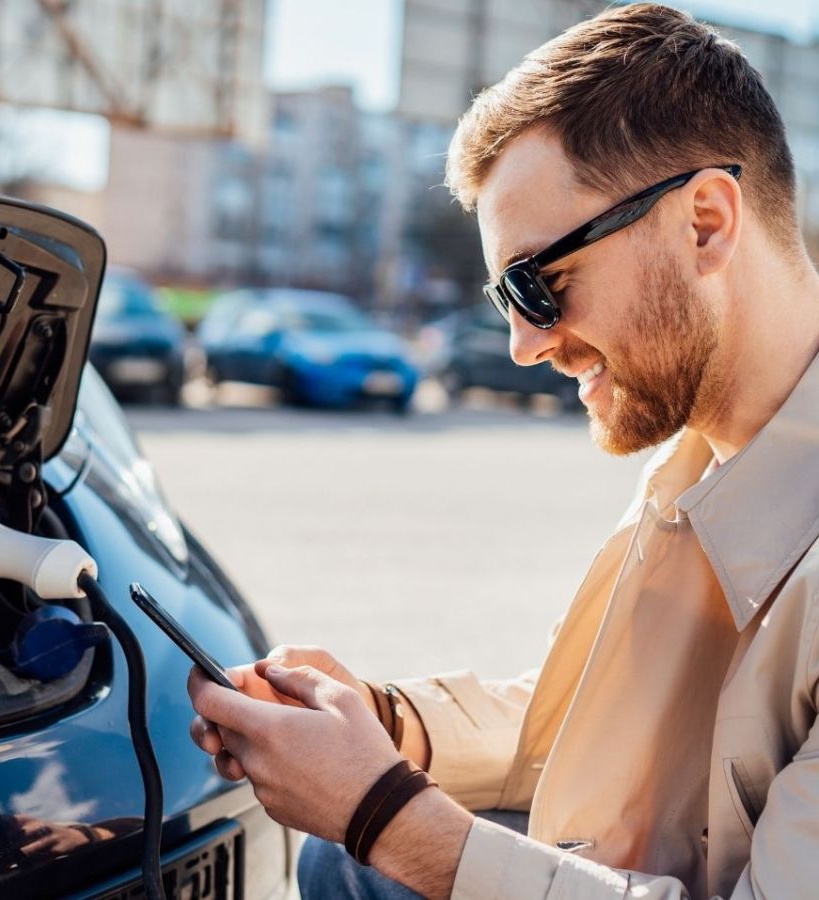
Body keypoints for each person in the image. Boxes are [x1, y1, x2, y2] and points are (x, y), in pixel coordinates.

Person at [187, 4, 819, 898]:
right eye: (505, 298)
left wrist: (384, 814)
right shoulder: (701, 459)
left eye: (539, 282)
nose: (524, 344)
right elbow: (590, 728)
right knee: (345, 857)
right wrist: (383, 725)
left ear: (706, 223)